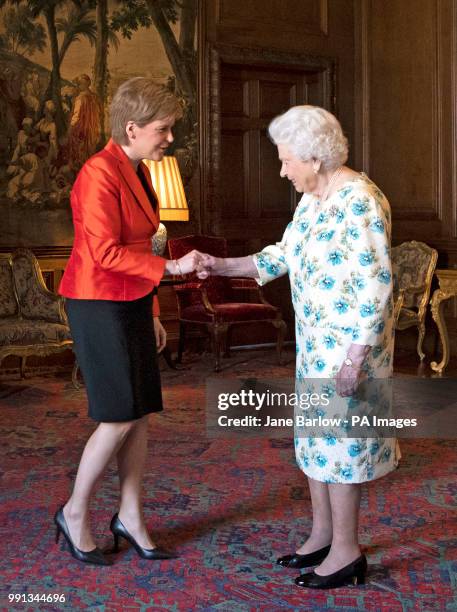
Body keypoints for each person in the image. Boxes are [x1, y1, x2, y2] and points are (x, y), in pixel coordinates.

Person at [201, 105, 400, 589]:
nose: (282, 170)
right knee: (316, 442)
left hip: (351, 349)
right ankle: (322, 536)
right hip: (315, 344)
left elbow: (377, 284)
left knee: (343, 447)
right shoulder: (312, 198)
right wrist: (219, 265)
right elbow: (280, 256)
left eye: (287, 160)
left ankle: (349, 552)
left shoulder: (362, 203)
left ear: (315, 157)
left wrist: (355, 359)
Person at [56, 77, 205, 566]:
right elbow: (103, 251)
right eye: (163, 129)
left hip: (133, 301)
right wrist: (173, 270)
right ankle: (74, 512)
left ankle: (130, 516)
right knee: (118, 414)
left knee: (139, 413)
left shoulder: (137, 169)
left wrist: (155, 309)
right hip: (98, 302)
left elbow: (141, 245)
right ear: (132, 127)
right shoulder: (98, 171)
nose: (169, 138)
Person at [67, 74, 102, 171]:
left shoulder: (80, 98)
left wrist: (71, 127)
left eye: (79, 85)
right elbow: (98, 115)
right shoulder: (94, 97)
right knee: (89, 151)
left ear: (84, 85)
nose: (78, 87)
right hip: (92, 128)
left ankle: (80, 171)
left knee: (80, 151)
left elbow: (76, 116)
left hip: (81, 129)